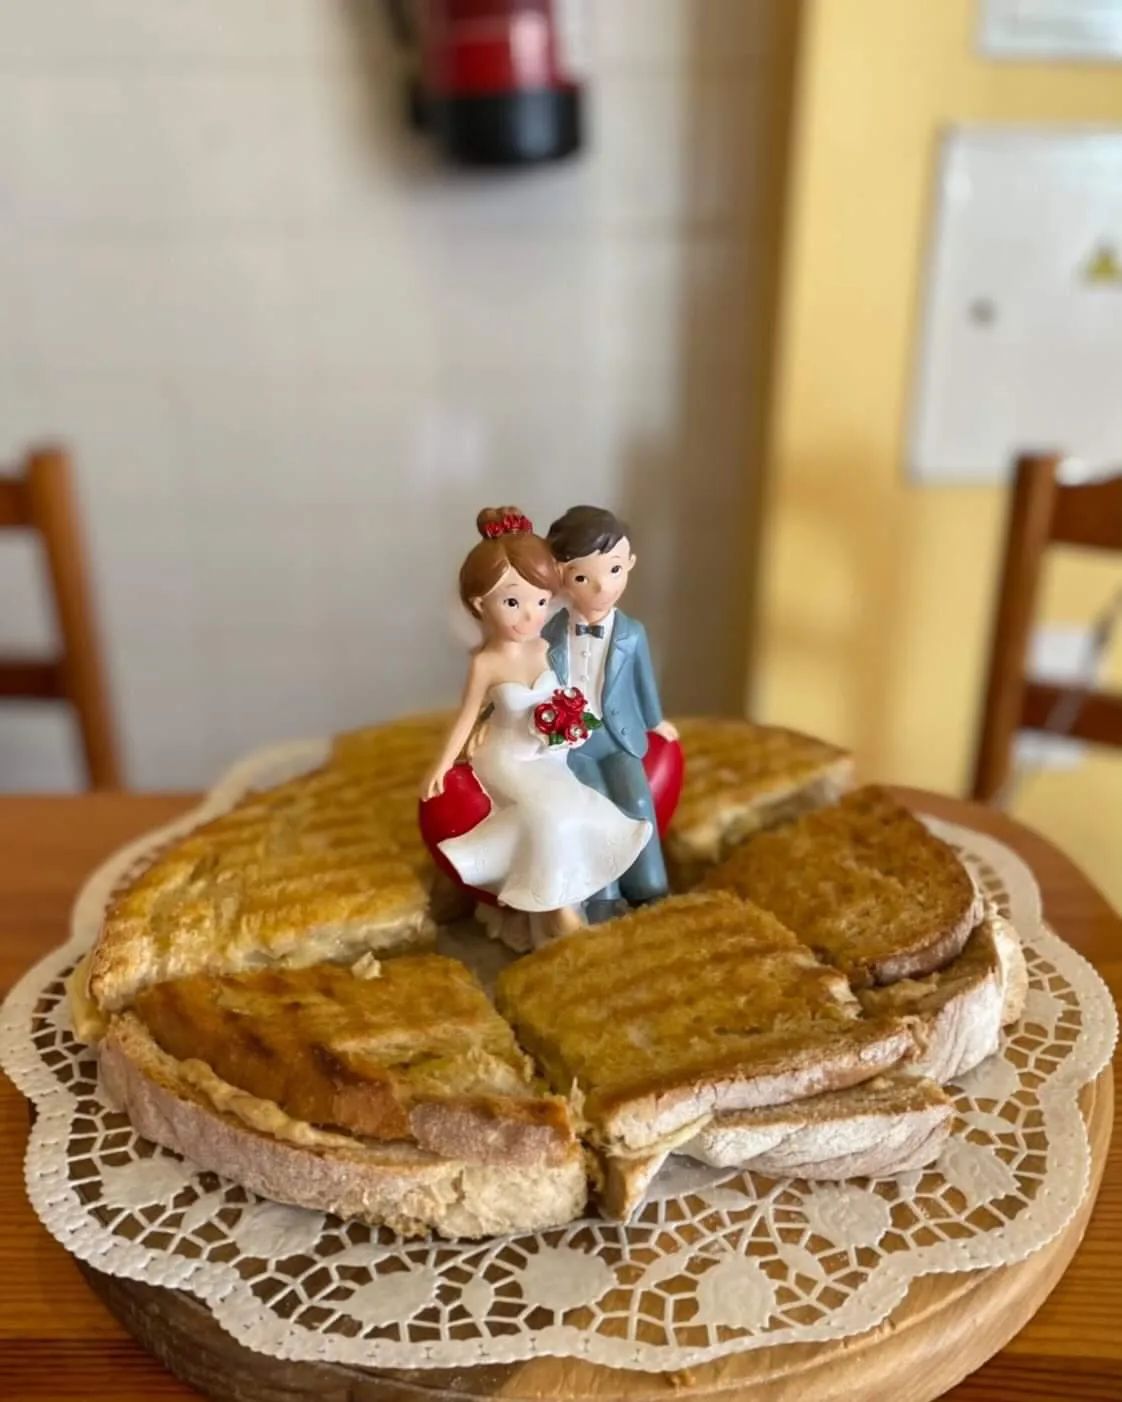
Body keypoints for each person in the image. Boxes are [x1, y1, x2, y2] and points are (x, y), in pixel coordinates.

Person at [422, 506, 651, 941]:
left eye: (541, 601)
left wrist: (571, 723)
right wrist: (443, 762)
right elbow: (467, 715)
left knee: (577, 804)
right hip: (506, 757)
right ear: (480, 604)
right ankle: (560, 912)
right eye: (513, 602)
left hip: (548, 755)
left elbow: (570, 692)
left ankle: (571, 902)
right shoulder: (486, 663)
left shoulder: (546, 647)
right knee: (548, 813)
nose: (530, 615)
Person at [543, 505, 675, 922]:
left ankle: (648, 885)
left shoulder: (633, 633)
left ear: (630, 563)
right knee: (594, 802)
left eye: (614, 570)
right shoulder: (549, 634)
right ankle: (602, 894)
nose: (603, 587)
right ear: (560, 577)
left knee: (635, 798)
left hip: (618, 735)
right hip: (573, 741)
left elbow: (643, 682)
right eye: (583, 577)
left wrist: (655, 721)